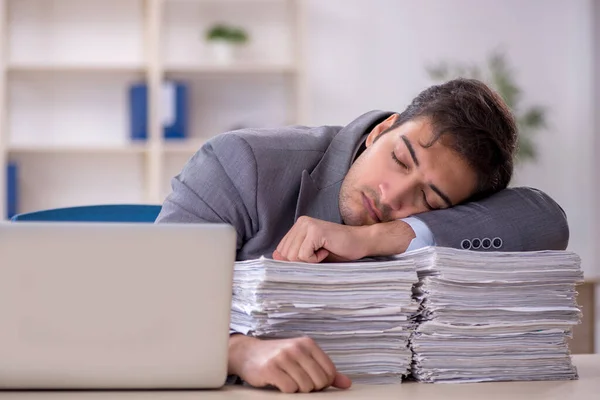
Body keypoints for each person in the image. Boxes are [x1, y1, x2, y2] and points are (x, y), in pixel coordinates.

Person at [155, 78, 569, 393]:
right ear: (381, 130)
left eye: (428, 197)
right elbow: (151, 300)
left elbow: (546, 220)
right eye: (400, 160)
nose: (391, 196)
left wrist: (383, 237)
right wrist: (237, 351)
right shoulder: (241, 164)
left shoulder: (422, 218)